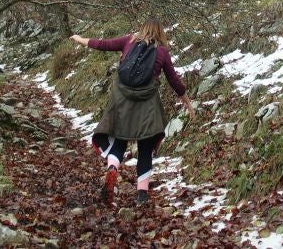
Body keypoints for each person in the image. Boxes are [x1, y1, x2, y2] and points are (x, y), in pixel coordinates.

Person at [70, 19, 195, 205]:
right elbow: (174, 80)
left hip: (122, 101)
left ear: (142, 29)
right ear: (160, 33)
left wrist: (80, 39)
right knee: (145, 146)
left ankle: (113, 167)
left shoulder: (129, 40)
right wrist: (188, 104)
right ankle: (142, 195)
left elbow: (103, 44)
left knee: (120, 139)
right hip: (147, 105)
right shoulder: (162, 51)